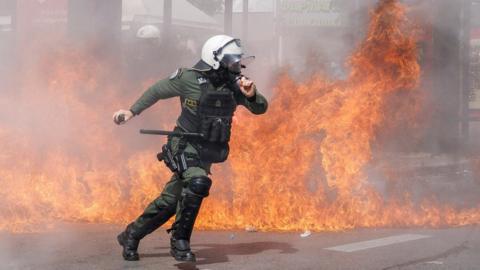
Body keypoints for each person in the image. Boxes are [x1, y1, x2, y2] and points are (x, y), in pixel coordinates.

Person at [112, 35, 268, 262]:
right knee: (198, 182)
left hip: (206, 151)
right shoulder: (188, 78)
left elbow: (261, 108)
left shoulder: (235, 86)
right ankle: (180, 242)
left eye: (238, 61)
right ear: (215, 60)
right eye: (232, 60)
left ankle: (131, 234)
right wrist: (132, 111)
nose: (237, 65)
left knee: (171, 200)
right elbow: (157, 90)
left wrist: (251, 94)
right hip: (183, 144)